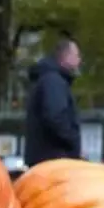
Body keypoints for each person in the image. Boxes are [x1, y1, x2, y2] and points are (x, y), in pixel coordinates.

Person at [24, 38, 83, 166]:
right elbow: (55, 116)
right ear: (66, 56)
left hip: (46, 158)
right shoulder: (54, 81)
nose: (79, 61)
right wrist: (72, 141)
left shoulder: (47, 80)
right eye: (77, 56)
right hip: (54, 159)